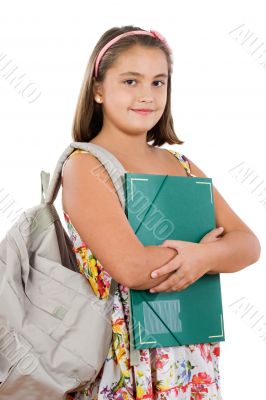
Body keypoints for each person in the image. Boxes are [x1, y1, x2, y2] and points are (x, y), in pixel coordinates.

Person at [61, 25, 261, 400]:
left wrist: (205, 255)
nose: (147, 96)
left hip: (187, 353)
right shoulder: (86, 166)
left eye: (158, 82)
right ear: (99, 90)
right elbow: (132, 268)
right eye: (131, 81)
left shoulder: (181, 165)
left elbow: (249, 244)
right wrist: (208, 256)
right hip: (121, 356)